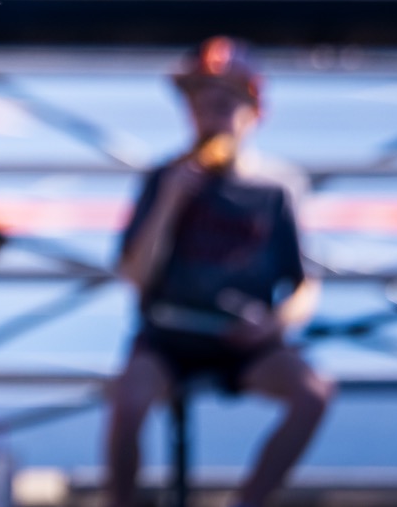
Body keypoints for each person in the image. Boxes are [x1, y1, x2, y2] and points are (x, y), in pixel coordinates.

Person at [104, 37, 335, 507]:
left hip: (244, 341)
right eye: (202, 105)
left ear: (252, 111)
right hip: (168, 336)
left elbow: (306, 283)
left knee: (314, 395)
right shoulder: (164, 177)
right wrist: (170, 203)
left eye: (226, 104)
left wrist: (276, 323)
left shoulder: (275, 187)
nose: (213, 117)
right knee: (127, 404)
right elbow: (133, 275)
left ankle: (248, 501)